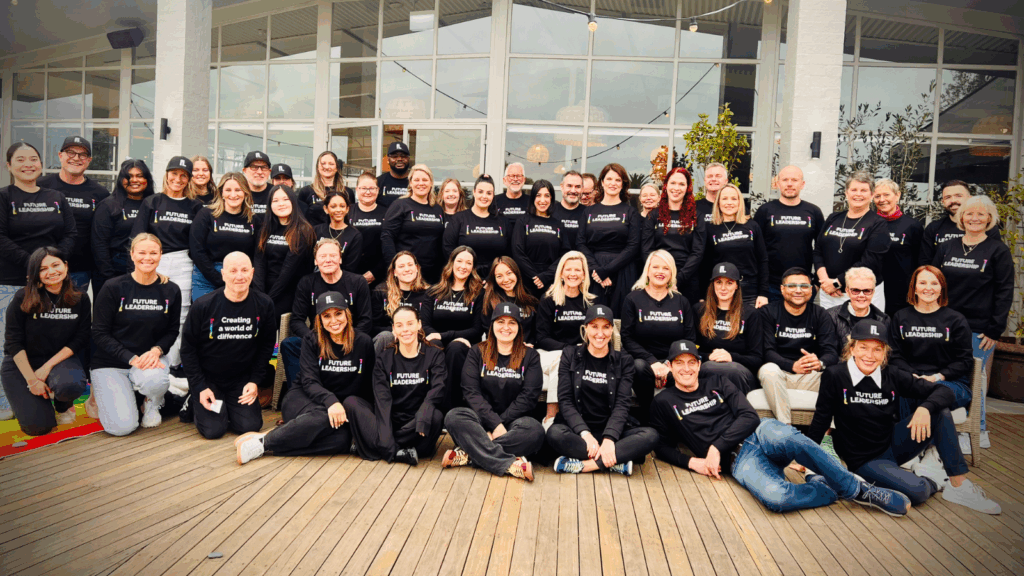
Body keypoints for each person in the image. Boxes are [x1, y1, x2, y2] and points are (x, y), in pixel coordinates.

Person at [653, 338, 911, 516]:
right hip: (738, 460)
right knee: (778, 498)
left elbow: (748, 416)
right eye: (679, 363)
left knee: (793, 438)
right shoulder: (664, 401)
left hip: (759, 433)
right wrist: (692, 463)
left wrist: (715, 447)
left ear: (699, 364)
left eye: (691, 362)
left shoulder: (718, 380)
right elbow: (661, 446)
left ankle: (861, 490)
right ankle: (827, 487)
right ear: (670, 367)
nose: (686, 369)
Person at [808, 319, 1000, 514]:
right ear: (852, 348)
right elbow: (821, 417)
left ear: (884, 353)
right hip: (864, 460)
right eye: (863, 347)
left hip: (893, 444)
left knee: (939, 411)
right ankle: (933, 479)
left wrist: (925, 408)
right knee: (917, 492)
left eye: (877, 349)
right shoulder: (835, 375)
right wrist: (805, 458)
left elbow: (944, 392)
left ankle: (959, 486)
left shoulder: (891, 374)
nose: (869, 355)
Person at [236, 292, 374, 464]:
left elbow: (367, 384)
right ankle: (263, 444)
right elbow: (309, 381)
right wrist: (331, 401)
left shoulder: (363, 342)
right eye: (327, 316)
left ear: (347, 314)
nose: (334, 321)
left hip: (338, 407)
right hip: (303, 398)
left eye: (338, 313)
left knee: (342, 440)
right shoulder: (312, 340)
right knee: (324, 416)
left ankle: (277, 437)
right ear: (319, 319)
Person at [1, 143, 77, 420]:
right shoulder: (4, 197)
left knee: (49, 338)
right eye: (20, 160)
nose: (28, 164)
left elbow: (70, 234)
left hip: (52, 282)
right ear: (9, 166)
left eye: (33, 159)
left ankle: (51, 388)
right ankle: (7, 399)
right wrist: (35, 267)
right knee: (10, 343)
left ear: (41, 164)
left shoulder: (55, 196)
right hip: (12, 280)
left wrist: (53, 267)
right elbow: (0, 238)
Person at [933, 195, 1013, 448]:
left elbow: (1004, 291)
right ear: (961, 217)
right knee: (946, 376)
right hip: (945, 324)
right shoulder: (948, 246)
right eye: (969, 214)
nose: (975, 218)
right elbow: (933, 280)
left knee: (973, 378)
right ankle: (952, 427)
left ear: (990, 218)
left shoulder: (997, 250)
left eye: (981, 214)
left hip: (979, 328)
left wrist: (995, 329)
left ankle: (976, 430)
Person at [547, 305, 659, 476]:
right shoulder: (570, 355)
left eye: (606, 327)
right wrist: (586, 435)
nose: (600, 333)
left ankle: (586, 465)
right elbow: (565, 400)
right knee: (554, 434)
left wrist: (609, 439)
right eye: (594, 326)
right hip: (579, 432)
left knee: (650, 435)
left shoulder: (624, 361)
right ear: (585, 328)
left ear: (612, 330)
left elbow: (622, 404)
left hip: (611, 429)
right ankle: (614, 462)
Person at [90, 234, 182, 435]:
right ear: (132, 255)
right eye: (141, 252)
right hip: (111, 362)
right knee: (122, 427)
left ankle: (151, 400)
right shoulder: (113, 287)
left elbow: (172, 331)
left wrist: (156, 350)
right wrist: (130, 358)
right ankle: (116, 393)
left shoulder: (171, 290)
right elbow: (99, 333)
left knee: (155, 381)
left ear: (160, 255)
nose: (147, 258)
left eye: (153, 253)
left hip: (149, 360)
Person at [180, 252, 276, 439]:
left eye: (244, 270)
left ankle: (227, 406)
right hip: (208, 379)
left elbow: (266, 345)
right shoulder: (203, 305)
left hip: (240, 380)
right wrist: (199, 387)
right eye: (233, 271)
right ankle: (194, 399)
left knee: (250, 426)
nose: (239, 276)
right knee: (214, 431)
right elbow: (188, 350)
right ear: (223, 274)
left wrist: (254, 381)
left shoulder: (264, 304)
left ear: (252, 272)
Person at [442, 303, 542, 481]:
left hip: (513, 423)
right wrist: (493, 424)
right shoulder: (477, 352)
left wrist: (499, 425)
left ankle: (470, 454)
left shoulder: (530, 356)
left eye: (512, 323)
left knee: (535, 431)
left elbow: (528, 397)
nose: (505, 327)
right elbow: (471, 392)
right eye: (500, 322)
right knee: (454, 416)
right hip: (480, 421)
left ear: (519, 327)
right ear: (492, 325)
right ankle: (509, 463)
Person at [2, 247, 90, 434]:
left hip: (59, 360)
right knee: (38, 427)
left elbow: (80, 338)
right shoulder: (22, 297)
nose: (51, 272)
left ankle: (62, 405)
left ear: (65, 266)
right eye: (42, 269)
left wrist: (46, 368)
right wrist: (32, 380)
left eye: (55, 265)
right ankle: (35, 401)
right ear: (35, 273)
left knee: (71, 385)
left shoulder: (80, 298)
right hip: (21, 363)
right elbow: (13, 342)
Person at [344, 305, 446, 465]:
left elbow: (438, 388)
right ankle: (397, 450)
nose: (405, 329)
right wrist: (385, 434)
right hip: (391, 418)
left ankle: (377, 445)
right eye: (399, 325)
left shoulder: (434, 354)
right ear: (393, 329)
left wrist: (424, 411)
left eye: (410, 323)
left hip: (417, 422)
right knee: (351, 402)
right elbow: (382, 400)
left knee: (436, 417)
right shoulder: (384, 358)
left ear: (419, 324)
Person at [130, 156, 202, 375]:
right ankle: (146, 362)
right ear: (167, 175)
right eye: (174, 174)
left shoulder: (195, 206)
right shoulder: (152, 202)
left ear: (189, 179)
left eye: (183, 175)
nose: (178, 179)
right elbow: (138, 236)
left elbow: (197, 241)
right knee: (152, 311)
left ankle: (170, 366)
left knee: (180, 315)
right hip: (153, 261)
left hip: (183, 263)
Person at [890, 266, 974, 443]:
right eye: (922, 282)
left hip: (949, 383)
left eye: (934, 283)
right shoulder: (900, 317)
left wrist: (937, 376)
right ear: (914, 287)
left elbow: (964, 361)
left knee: (936, 396)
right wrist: (914, 376)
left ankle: (926, 449)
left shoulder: (956, 320)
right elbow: (895, 355)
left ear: (942, 287)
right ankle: (920, 449)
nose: (928, 288)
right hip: (912, 380)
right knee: (911, 392)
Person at [282, 238, 373, 394]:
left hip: (350, 341)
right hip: (318, 341)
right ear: (316, 261)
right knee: (289, 344)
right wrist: (315, 339)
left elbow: (366, 319)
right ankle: (298, 395)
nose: (328, 260)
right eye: (323, 256)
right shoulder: (306, 283)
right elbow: (297, 320)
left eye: (333, 255)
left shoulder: (358, 282)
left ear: (340, 258)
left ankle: (358, 396)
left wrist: (349, 339)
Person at [620, 250, 696, 423]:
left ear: (672, 274)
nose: (660, 272)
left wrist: (670, 363)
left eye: (665, 268)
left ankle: (678, 422)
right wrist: (653, 362)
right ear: (647, 270)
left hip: (672, 362)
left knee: (686, 372)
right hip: (644, 361)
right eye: (655, 267)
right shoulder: (633, 299)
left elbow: (690, 339)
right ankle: (649, 418)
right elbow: (627, 338)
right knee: (638, 367)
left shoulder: (681, 301)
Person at [758, 267, 839, 424]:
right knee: (768, 370)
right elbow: (766, 351)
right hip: (779, 374)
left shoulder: (820, 314)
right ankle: (786, 429)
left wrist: (819, 363)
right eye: (792, 286)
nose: (798, 290)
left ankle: (829, 434)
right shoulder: (768, 312)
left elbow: (830, 351)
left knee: (837, 375)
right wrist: (792, 365)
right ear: (782, 289)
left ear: (810, 290)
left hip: (809, 375)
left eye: (804, 286)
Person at [37, 136, 109, 291]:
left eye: (82, 155)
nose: (76, 158)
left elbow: (103, 233)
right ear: (60, 155)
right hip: (43, 268)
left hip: (80, 269)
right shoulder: (41, 186)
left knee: (73, 314)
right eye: (70, 152)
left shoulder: (100, 193)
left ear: (89, 160)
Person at [535, 251, 595, 428]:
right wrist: (569, 349)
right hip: (548, 354)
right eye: (568, 269)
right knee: (561, 360)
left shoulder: (590, 302)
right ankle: (551, 416)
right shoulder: (548, 299)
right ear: (561, 273)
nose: (573, 274)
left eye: (578, 270)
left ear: (584, 274)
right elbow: (541, 337)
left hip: (580, 355)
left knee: (566, 361)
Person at [814, 171, 889, 310]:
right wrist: (825, 281)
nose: (858, 194)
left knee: (861, 331)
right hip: (829, 293)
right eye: (854, 189)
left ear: (872, 195)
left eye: (864, 190)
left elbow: (870, 262)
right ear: (846, 193)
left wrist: (837, 283)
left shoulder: (878, 223)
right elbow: (818, 250)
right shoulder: (833, 218)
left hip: (861, 294)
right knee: (829, 330)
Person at [422, 246, 484, 410]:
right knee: (436, 345)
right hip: (437, 342)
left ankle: (450, 410)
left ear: (473, 268)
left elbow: (477, 329)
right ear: (451, 263)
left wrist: (446, 336)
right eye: (460, 261)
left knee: (456, 348)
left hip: (464, 345)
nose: (463, 266)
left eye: (469, 263)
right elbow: (425, 324)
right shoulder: (433, 291)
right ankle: (429, 406)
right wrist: (441, 337)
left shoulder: (478, 294)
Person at [576, 163, 642, 315]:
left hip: (623, 270)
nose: (613, 183)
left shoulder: (630, 212)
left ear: (623, 184)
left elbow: (633, 246)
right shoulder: (589, 212)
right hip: (594, 272)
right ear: (602, 182)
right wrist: (597, 270)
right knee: (595, 316)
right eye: (609, 179)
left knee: (622, 317)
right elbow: (580, 243)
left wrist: (607, 270)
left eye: (618, 180)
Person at [752, 165, 824, 303]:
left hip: (802, 286)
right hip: (771, 286)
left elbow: (823, 249)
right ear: (777, 184)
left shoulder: (813, 212)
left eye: (794, 180)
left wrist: (817, 284)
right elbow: (755, 250)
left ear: (802, 184)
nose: (789, 184)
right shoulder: (765, 211)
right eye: (785, 180)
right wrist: (761, 286)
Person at [693, 262, 763, 393]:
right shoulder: (699, 311)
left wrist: (731, 357)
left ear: (737, 285)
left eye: (729, 283)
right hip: (708, 368)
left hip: (740, 373)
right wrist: (710, 356)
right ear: (712, 284)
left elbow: (757, 359)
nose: (723, 288)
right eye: (719, 282)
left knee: (731, 371)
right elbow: (692, 349)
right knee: (708, 368)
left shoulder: (750, 314)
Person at [252, 185, 316, 320]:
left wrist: (268, 300)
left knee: (266, 317)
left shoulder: (303, 230)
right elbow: (259, 263)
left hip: (289, 291)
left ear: (293, 201)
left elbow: (288, 271)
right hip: (264, 290)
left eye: (285, 199)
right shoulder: (265, 229)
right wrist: (259, 294)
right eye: (275, 201)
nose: (281, 204)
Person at [641, 167, 704, 303]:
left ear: (688, 188)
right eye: (673, 183)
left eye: (682, 184)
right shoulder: (653, 216)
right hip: (658, 278)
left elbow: (697, 252)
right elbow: (647, 250)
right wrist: (659, 275)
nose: (677, 188)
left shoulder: (696, 217)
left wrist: (678, 279)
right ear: (666, 186)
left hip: (687, 278)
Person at [189, 173, 256, 301]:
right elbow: (196, 250)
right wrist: (219, 278)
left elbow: (257, 254)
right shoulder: (206, 214)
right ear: (221, 192)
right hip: (207, 278)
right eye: (228, 190)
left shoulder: (253, 220)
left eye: (238, 190)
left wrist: (238, 278)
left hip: (240, 278)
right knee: (206, 319)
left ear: (246, 192)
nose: (233, 194)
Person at [93, 159, 155, 294]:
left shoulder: (154, 204)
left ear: (147, 179)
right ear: (121, 180)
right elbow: (99, 244)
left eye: (139, 176)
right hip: (114, 270)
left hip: (147, 268)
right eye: (129, 176)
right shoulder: (109, 205)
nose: (134, 180)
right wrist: (109, 277)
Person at [702, 184, 769, 307]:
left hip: (749, 290)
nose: (729, 203)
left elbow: (763, 260)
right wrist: (703, 295)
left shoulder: (752, 226)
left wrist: (763, 293)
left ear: (740, 202)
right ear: (718, 202)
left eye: (734, 199)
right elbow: (705, 264)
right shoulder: (710, 229)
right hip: (721, 291)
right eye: (724, 198)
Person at [380, 163, 445, 283]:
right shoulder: (400, 205)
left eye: (425, 180)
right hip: (406, 273)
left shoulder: (437, 209)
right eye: (417, 180)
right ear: (410, 183)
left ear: (431, 183)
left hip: (432, 274)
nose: (421, 183)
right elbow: (387, 237)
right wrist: (394, 267)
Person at [873, 178, 923, 314]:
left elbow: (920, 259)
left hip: (902, 290)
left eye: (886, 194)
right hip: (873, 288)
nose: (882, 199)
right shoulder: (869, 222)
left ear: (898, 195)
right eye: (877, 196)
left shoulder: (912, 225)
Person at [443, 175, 509, 278]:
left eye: (489, 193)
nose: (484, 196)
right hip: (465, 278)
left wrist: (493, 277)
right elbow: (448, 249)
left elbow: (509, 254)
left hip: (495, 280)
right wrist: (466, 271)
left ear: (493, 195)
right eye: (480, 192)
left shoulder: (503, 221)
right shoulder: (458, 219)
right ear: (474, 192)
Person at [920, 180, 1000, 265]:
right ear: (942, 202)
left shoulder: (986, 227)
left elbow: (996, 261)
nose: (953, 200)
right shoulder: (933, 228)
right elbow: (925, 263)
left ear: (970, 198)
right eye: (948, 197)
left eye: (958, 196)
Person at [512, 179, 563, 298]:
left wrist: (546, 276)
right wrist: (535, 277)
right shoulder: (523, 221)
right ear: (533, 198)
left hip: (551, 281)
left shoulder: (558, 224)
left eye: (547, 196)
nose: (542, 200)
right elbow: (517, 252)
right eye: (538, 195)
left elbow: (564, 254)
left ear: (552, 198)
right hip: (526, 280)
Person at [371, 251, 432, 345]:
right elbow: (374, 326)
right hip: (391, 340)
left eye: (410, 265)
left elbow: (428, 325)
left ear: (416, 268)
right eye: (401, 266)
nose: (407, 269)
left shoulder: (429, 293)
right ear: (394, 272)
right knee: (385, 336)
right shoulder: (381, 292)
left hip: (418, 339)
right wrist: (397, 331)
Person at [825, 267, 888, 347]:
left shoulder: (884, 320)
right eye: (856, 290)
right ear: (847, 291)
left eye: (867, 291)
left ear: (873, 292)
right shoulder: (830, 316)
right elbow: (829, 351)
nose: (861, 295)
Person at [482, 256, 538, 345]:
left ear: (516, 273)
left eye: (509, 273)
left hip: (526, 350)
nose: (506, 280)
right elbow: (488, 331)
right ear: (494, 279)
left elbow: (534, 331)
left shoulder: (530, 299)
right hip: (500, 351)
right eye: (499, 276)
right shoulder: (490, 300)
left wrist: (530, 344)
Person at [351, 171, 388, 286]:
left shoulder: (387, 213)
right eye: (364, 188)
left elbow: (390, 245)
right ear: (357, 190)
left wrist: (375, 273)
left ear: (377, 190)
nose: (368, 192)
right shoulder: (347, 212)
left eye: (372, 188)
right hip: (350, 273)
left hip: (379, 275)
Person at [314, 189, 364, 273]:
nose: (338, 210)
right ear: (326, 209)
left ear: (347, 209)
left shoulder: (355, 235)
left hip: (342, 281)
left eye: (342, 206)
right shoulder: (316, 231)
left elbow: (351, 267)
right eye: (333, 206)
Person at [299, 151, 343, 226]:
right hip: (313, 236)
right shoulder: (306, 192)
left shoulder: (346, 192)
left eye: (331, 164)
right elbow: (301, 220)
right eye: (323, 163)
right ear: (317, 168)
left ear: (336, 168)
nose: (326, 167)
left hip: (339, 236)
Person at [552, 171, 584, 250]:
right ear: (562, 187)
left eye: (577, 187)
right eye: (569, 186)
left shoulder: (587, 213)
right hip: (554, 262)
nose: (573, 191)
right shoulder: (550, 212)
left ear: (582, 189)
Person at [377, 142, 411, 208]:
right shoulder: (378, 182)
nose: (399, 159)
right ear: (388, 159)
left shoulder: (416, 182)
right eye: (394, 156)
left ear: (408, 158)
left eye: (403, 156)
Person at [242, 151, 272, 221]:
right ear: (244, 170)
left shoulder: (276, 193)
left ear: (269, 171)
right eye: (254, 167)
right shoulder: (237, 192)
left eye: (264, 167)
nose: (259, 172)